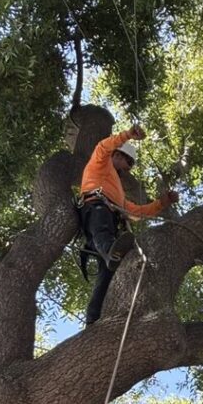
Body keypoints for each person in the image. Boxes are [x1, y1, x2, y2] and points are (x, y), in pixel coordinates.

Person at [78, 125, 178, 324]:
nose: (128, 167)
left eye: (131, 164)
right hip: (96, 208)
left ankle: (93, 318)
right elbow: (102, 147)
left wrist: (162, 203)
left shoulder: (118, 192)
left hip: (110, 218)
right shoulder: (101, 162)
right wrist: (127, 135)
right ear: (117, 154)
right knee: (103, 233)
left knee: (107, 273)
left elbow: (135, 213)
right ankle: (110, 251)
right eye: (127, 161)